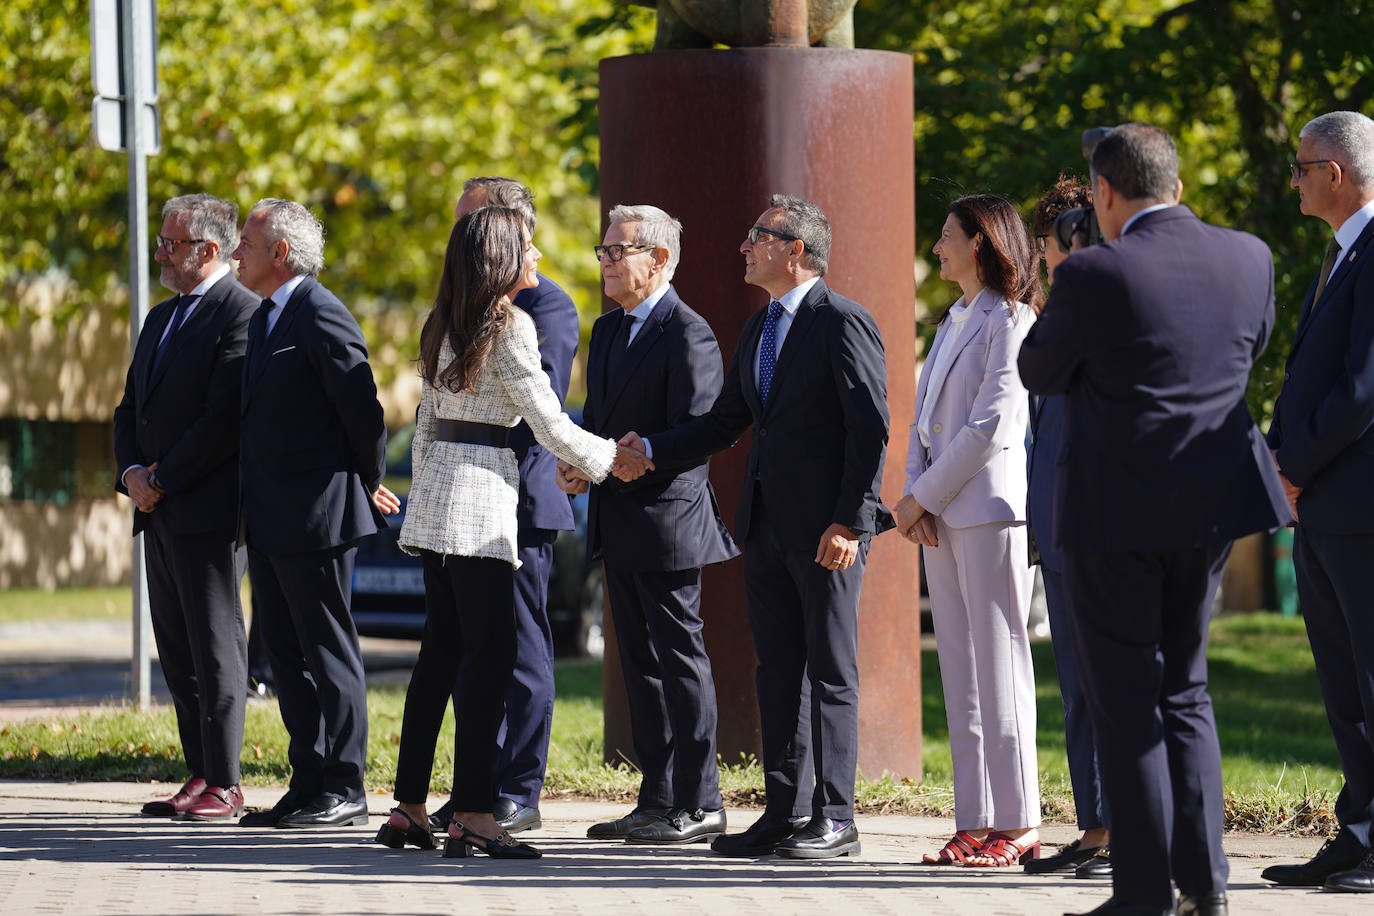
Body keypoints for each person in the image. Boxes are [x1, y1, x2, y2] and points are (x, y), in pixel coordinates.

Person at [1019, 123, 1291, 916]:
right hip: (1211, 508)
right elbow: (1250, 347)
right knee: (1187, 691)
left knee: (1127, 700)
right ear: (1175, 182)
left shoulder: (1096, 271)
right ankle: (1205, 883)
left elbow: (1040, 368)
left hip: (1113, 514)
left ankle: (1142, 894)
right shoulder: (1250, 255)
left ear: (1104, 193)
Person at [624, 194, 893, 860]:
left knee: (831, 673)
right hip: (767, 527)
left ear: (795, 249)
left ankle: (836, 819)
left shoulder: (842, 321)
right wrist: (650, 448)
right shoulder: (760, 327)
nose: (744, 247)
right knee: (779, 671)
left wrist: (850, 520)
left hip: (827, 531)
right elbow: (726, 422)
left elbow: (870, 429)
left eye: (757, 237)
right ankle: (786, 811)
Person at [380, 207, 651, 860]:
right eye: (527, 248)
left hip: (438, 509)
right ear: (503, 256)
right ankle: (474, 814)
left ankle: (408, 809)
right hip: (479, 512)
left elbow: (427, 420)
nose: (537, 259)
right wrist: (615, 458)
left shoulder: (442, 322)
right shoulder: (510, 325)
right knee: (490, 663)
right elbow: (549, 422)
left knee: (437, 660)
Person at [557, 204, 739, 845]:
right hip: (616, 516)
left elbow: (700, 429)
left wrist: (646, 453)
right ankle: (657, 798)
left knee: (679, 659)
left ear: (659, 259)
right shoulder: (607, 331)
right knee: (638, 665)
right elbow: (598, 422)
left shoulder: (688, 332)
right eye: (603, 250)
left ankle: (702, 800)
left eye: (618, 251)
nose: (605, 261)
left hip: (668, 519)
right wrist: (583, 464)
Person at [233, 198, 400, 829]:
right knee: (283, 653)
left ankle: (346, 783)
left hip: (319, 518)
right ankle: (308, 779)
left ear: (280, 252)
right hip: (271, 520)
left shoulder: (320, 312)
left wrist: (362, 482)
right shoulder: (264, 319)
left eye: (246, 242)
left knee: (329, 651)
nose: (236, 252)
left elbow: (364, 412)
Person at [425, 177, 581, 837]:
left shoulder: (543, 306)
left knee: (517, 650)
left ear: (514, 228)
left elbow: (532, 413)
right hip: (459, 504)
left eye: (473, 221)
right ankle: (474, 794)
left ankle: (516, 789)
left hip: (513, 497)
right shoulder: (463, 305)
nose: (460, 235)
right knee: (468, 654)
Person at [895, 193, 1042, 869]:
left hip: (987, 511)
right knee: (960, 670)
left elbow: (990, 426)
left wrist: (921, 497)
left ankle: (1019, 822)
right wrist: (915, 498)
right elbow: (924, 422)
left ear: (980, 242)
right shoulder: (954, 317)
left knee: (1001, 662)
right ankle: (976, 819)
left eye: (947, 237)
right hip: (944, 515)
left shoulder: (1013, 321)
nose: (936, 248)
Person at [114, 194, 257, 821]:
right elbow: (129, 411)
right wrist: (131, 475)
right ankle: (198, 771)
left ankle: (225, 780)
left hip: (210, 510)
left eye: (172, 244)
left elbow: (222, 418)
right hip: (159, 509)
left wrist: (163, 476)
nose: (161, 254)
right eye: (162, 242)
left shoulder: (242, 313)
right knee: (176, 647)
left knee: (215, 644)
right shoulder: (159, 319)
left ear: (210, 249)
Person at [1262, 110, 1374, 894]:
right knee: (1346, 687)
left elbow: (1363, 389)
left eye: (1301, 167)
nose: (1294, 179)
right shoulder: (1341, 255)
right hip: (1326, 509)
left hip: (1358, 506)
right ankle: (1359, 831)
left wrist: (1291, 467)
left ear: (1335, 172)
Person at [1022, 176, 1112, 879]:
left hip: (1101, 526)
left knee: (1110, 684)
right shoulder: (1061, 309)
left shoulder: (1102, 305)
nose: (1045, 261)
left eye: (1050, 247)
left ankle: (1119, 830)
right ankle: (1093, 827)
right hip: (1059, 524)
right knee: (1079, 689)